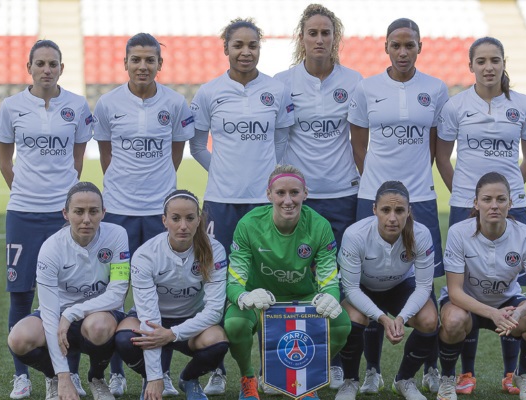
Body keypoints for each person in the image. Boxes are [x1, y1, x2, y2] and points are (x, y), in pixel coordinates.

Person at [189, 18, 294, 394]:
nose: (245, 52)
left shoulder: (277, 91)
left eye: (252, 45)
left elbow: (282, 140)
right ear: (226, 49)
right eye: (238, 45)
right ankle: (216, 367)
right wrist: (224, 172)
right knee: (217, 281)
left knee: (264, 281)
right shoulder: (208, 93)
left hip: (262, 203)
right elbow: (198, 145)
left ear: (260, 48)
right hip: (220, 202)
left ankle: (269, 368)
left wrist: (267, 178)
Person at [435, 36, 526, 395]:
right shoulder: (455, 106)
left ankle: (512, 373)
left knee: (512, 287)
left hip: (512, 206)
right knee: (466, 288)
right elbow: (442, 158)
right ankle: (466, 373)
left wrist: (508, 197)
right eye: (481, 61)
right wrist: (465, 196)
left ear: (503, 62)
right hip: (469, 204)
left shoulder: (523, 104)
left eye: (494, 60)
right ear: (471, 66)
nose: (488, 67)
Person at [347, 18, 448, 394]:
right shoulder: (367, 88)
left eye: (410, 45)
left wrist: (420, 188)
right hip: (374, 197)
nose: (403, 52)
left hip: (420, 197)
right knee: (367, 282)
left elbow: (437, 147)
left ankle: (429, 368)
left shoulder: (436, 89)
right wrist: (377, 189)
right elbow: (360, 146)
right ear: (385, 47)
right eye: (396, 45)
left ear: (420, 47)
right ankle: (371, 369)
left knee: (426, 284)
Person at [93, 32, 195, 396]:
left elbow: (176, 151)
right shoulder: (107, 104)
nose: (142, 65)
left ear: (159, 65)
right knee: (117, 289)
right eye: (135, 59)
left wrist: (157, 190)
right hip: (119, 216)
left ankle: (162, 373)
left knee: (160, 292)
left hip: (158, 216)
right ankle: (116, 371)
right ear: (124, 63)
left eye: (149, 59)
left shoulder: (175, 102)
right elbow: (107, 156)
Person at [0, 39, 93, 399]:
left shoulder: (78, 106)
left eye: (53, 63)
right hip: (22, 213)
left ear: (62, 69)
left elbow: (77, 160)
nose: (47, 69)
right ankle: (22, 376)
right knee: (20, 294)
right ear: (30, 68)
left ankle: (71, 374)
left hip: (62, 216)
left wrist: (64, 201)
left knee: (69, 295)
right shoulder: (11, 107)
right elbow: (5, 161)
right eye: (40, 64)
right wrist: (24, 192)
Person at [272, 4, 362, 391]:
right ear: (302, 38)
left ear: (335, 38)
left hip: (344, 194)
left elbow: (360, 140)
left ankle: (342, 363)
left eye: (327, 33)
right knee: (295, 279)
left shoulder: (355, 81)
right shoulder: (282, 82)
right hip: (298, 199)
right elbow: (279, 141)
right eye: (313, 33)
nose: (320, 39)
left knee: (339, 282)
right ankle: (288, 360)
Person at [224, 164, 351, 400]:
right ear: (269, 194)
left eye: (294, 192)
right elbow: (234, 280)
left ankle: (305, 380)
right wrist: (244, 296)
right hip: (260, 299)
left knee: (341, 323)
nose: (288, 200)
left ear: (305, 194)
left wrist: (330, 298)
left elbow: (329, 278)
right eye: (280, 193)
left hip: (301, 298)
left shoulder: (320, 226)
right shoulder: (248, 224)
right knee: (234, 324)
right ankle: (249, 379)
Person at [7, 182, 130, 400]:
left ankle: (96, 378)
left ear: (103, 212)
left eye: (93, 211)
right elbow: (49, 311)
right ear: (65, 213)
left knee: (99, 325)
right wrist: (63, 375)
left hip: (101, 314)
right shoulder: (51, 248)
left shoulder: (117, 235)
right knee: (18, 338)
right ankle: (54, 377)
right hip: (58, 316)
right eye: (79, 211)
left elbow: (118, 293)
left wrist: (72, 313)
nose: (86, 219)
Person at [435, 172, 526, 400]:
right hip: (466, 303)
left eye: (501, 199)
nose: (494, 205)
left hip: (507, 305)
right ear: (476, 203)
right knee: (453, 320)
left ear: (511, 203)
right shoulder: (459, 233)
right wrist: (492, 313)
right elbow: (455, 291)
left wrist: (519, 311)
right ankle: (447, 379)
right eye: (487, 199)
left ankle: (523, 376)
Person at [115, 190, 229, 400]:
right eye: (176, 218)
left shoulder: (215, 250)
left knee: (217, 341)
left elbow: (214, 311)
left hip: (193, 321)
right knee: (124, 338)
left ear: (199, 220)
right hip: (152, 319)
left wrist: (172, 333)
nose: (183, 226)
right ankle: (153, 378)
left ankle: (189, 379)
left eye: (189, 218)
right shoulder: (146, 254)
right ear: (164, 220)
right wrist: (154, 377)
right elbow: (148, 315)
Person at [334, 181, 438, 400]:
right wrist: (382, 318)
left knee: (429, 319)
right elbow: (351, 288)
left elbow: (424, 286)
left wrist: (402, 317)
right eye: (386, 210)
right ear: (374, 210)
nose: (393, 218)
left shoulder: (421, 234)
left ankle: (404, 380)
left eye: (400, 210)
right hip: (361, 288)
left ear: (409, 211)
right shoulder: (355, 235)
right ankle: (350, 381)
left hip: (399, 286)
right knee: (351, 319)